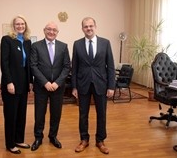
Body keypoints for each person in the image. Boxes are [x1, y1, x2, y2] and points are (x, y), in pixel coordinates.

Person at [71, 17, 115, 154]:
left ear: (95, 26)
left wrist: (111, 86)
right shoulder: (77, 44)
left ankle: (100, 140)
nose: (88, 28)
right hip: (82, 84)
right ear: (82, 28)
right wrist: (74, 87)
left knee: (101, 114)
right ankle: (84, 139)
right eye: (85, 26)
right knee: (83, 114)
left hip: (101, 84)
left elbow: (111, 66)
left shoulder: (105, 43)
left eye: (91, 26)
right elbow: (75, 67)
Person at [30, 22, 70, 151]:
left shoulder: (63, 47)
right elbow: (33, 66)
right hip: (42, 87)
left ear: (57, 32)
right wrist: (45, 83)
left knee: (56, 113)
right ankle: (38, 137)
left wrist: (57, 83)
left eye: (54, 30)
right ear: (44, 30)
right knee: (39, 113)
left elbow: (66, 67)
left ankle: (53, 136)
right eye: (49, 29)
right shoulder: (36, 46)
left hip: (58, 87)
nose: (51, 32)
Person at [0, 15, 33, 154]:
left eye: (22, 24)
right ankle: (10, 143)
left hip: (24, 84)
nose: (20, 26)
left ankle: (19, 139)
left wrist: (30, 81)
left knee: (21, 114)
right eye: (17, 24)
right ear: (13, 26)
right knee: (11, 114)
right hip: (11, 84)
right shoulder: (7, 40)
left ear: (25, 26)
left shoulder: (27, 41)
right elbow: (4, 63)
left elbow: (29, 64)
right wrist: (9, 82)